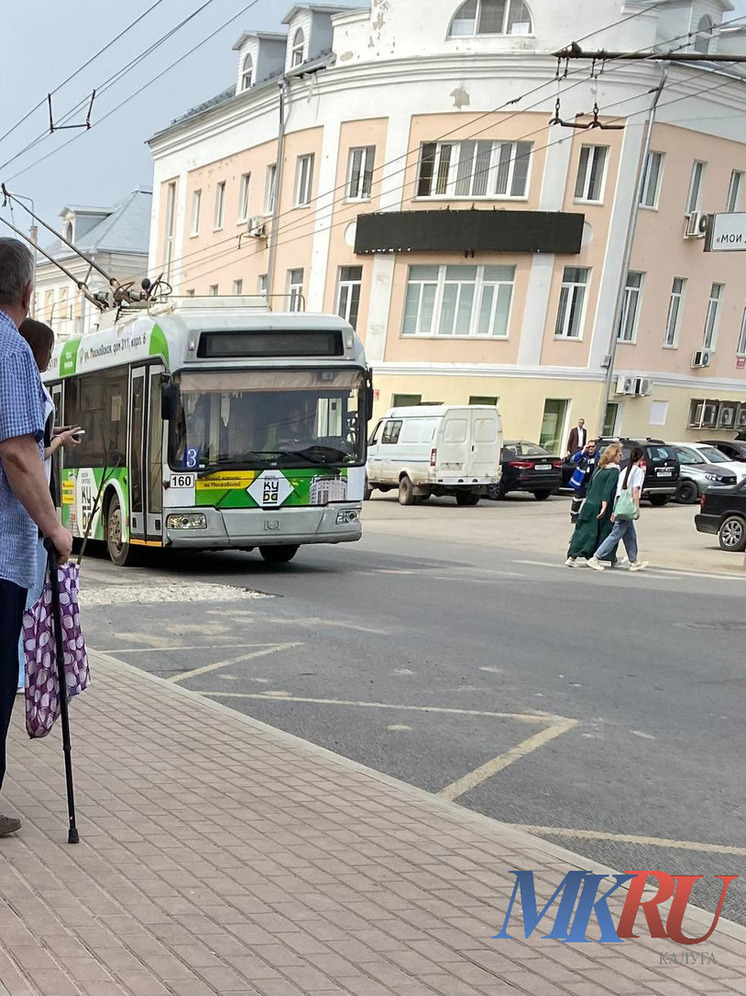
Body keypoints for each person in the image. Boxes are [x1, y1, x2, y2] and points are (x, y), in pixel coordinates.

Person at [0, 238, 72, 839]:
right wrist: (54, 528)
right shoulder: (10, 347)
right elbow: (19, 453)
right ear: (27, 292)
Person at [16, 319, 81, 692]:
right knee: (30, 595)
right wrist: (55, 443)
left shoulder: (28, 385)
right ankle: (24, 675)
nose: (51, 357)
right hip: (32, 510)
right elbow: (26, 450)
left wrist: (56, 433)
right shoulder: (29, 386)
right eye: (49, 350)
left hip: (31, 508)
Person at [587, 446, 649, 573]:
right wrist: (637, 508)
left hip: (619, 502)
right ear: (641, 458)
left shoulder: (625, 470)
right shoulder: (637, 471)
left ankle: (634, 560)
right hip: (627, 504)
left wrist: (615, 510)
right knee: (616, 533)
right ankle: (596, 557)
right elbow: (635, 490)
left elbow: (618, 490)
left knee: (629, 533)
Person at [565, 442, 621, 566]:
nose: (620, 457)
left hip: (589, 503)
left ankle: (572, 557)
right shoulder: (614, 471)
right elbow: (608, 490)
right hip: (601, 506)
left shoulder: (599, 468)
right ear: (613, 455)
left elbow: (590, 487)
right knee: (606, 532)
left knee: (583, 531)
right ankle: (607, 558)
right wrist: (605, 507)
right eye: (619, 455)